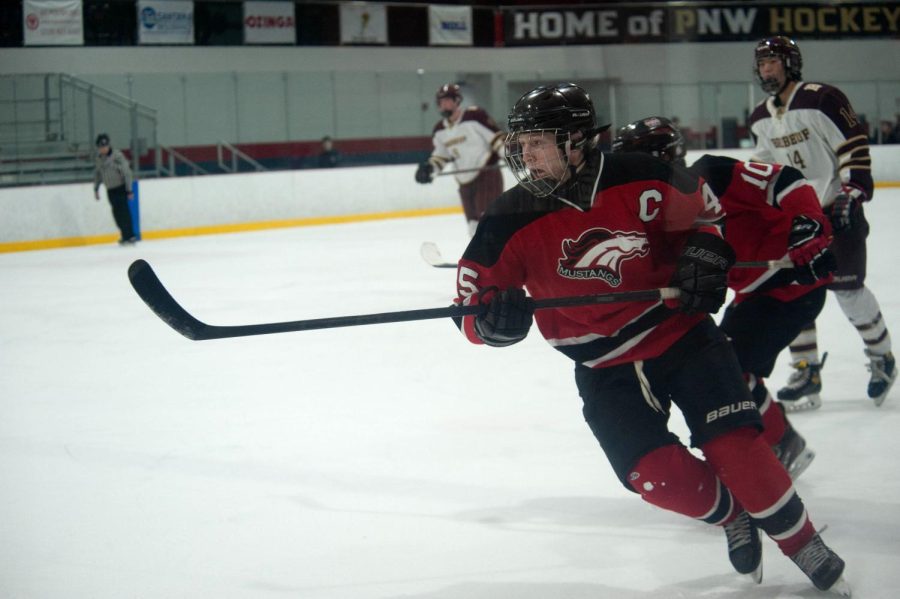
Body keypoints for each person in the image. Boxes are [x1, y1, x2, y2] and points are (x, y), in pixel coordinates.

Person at [453, 83, 849, 595]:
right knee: (654, 476)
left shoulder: (645, 175)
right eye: (522, 143)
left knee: (738, 449)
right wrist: (488, 321)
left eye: (538, 141)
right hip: (601, 367)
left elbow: (707, 219)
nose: (524, 154)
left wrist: (706, 251)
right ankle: (732, 515)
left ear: (576, 141)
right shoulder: (508, 215)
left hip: (680, 336)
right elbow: (469, 300)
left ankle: (806, 545)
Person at [612, 116, 837, 480]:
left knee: (731, 368)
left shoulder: (711, 175)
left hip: (790, 285)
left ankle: (782, 444)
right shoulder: (654, 207)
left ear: (656, 159)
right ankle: (777, 441)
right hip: (756, 291)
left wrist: (808, 223)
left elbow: (786, 181)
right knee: (727, 364)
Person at [749, 36, 896, 410]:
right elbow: (768, 171)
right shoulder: (761, 117)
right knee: (795, 295)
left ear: (790, 64)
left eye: (773, 62)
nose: (766, 69)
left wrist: (853, 191)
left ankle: (882, 358)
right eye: (762, 63)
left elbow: (853, 144)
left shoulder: (821, 98)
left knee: (848, 291)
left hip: (836, 210)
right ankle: (806, 369)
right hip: (799, 222)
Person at [415, 83, 505, 237]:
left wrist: (510, 154)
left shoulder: (474, 116)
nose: (444, 104)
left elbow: (496, 139)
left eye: (448, 100)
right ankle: (480, 258)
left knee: (487, 221)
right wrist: (430, 169)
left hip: (487, 175)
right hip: (464, 182)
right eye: (441, 101)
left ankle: (498, 257)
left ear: (457, 101)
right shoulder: (439, 130)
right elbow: (440, 156)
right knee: (473, 226)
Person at [92, 133, 137, 245]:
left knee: (124, 212)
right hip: (110, 189)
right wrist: (96, 188)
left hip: (120, 188)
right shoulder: (98, 159)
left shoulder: (117, 156)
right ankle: (124, 234)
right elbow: (98, 174)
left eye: (105, 146)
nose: (103, 149)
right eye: (101, 147)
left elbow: (126, 172)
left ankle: (130, 235)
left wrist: (129, 189)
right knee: (116, 213)